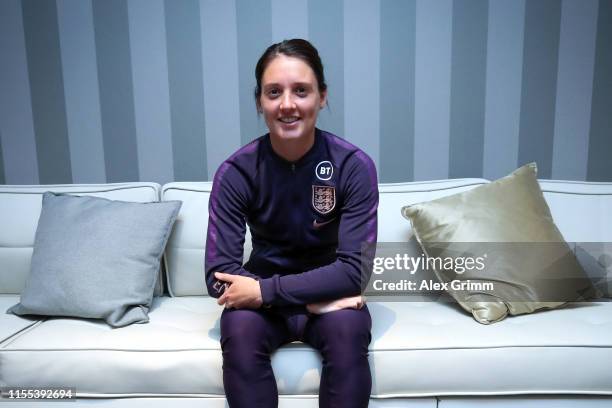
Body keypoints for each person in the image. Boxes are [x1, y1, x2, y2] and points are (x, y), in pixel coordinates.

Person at [205, 38, 378, 408]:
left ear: (322, 97)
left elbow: (354, 272)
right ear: (259, 101)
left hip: (327, 298)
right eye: (273, 92)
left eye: (301, 91)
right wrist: (273, 298)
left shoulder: (353, 167)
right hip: (270, 307)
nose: (287, 104)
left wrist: (266, 292)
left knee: (349, 330)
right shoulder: (236, 172)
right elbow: (218, 276)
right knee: (238, 329)